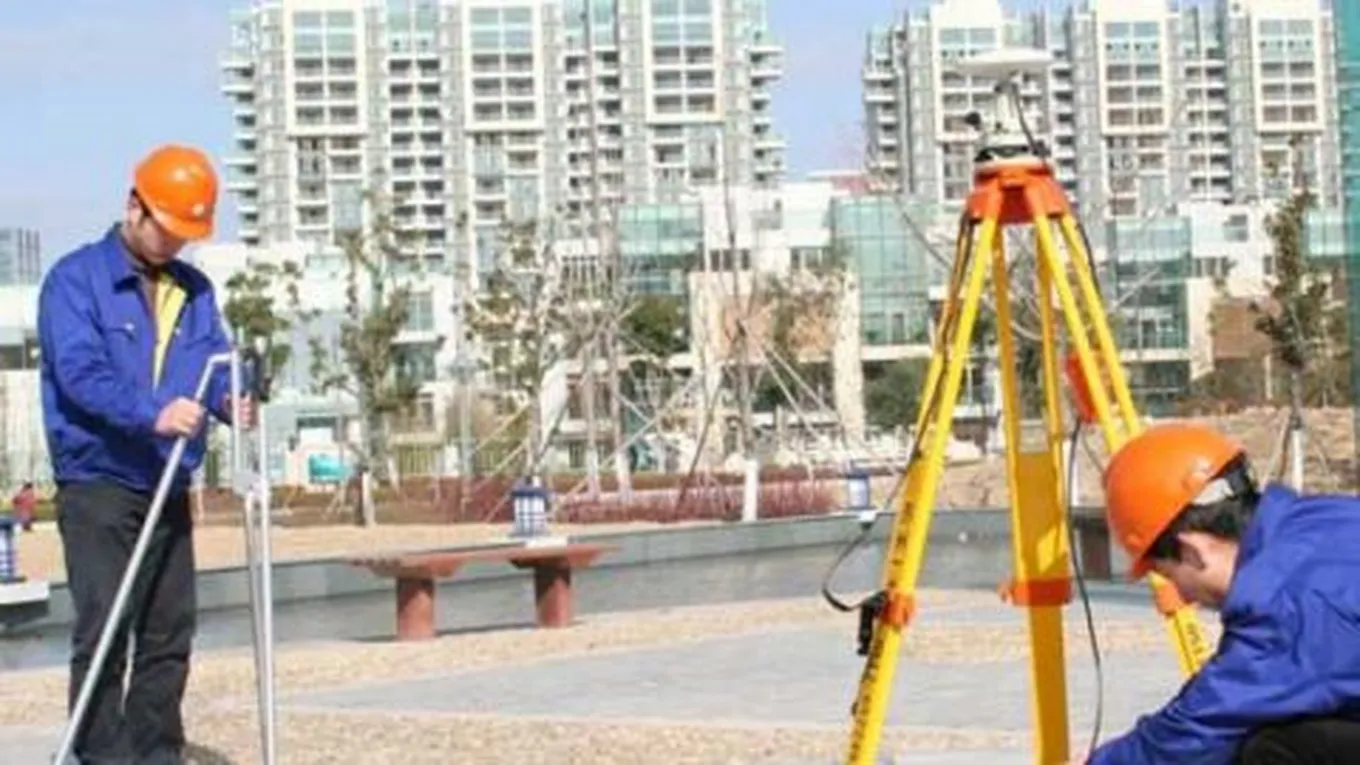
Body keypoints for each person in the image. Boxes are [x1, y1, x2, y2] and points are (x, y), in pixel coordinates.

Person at [37, 144, 254, 764]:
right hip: (99, 482)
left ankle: (157, 752)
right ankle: (102, 755)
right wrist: (151, 414)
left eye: (185, 235)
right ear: (135, 207)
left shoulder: (194, 290)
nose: (174, 244)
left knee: (168, 631)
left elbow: (215, 362)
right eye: (168, 229)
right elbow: (80, 373)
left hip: (168, 482)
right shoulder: (75, 281)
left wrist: (230, 398)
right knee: (105, 627)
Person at [1080, 422, 1360, 765]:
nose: (1182, 596)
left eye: (1168, 575)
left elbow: (1196, 729)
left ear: (1193, 551)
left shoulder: (1282, 603)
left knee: (1272, 749)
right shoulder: (1321, 517)